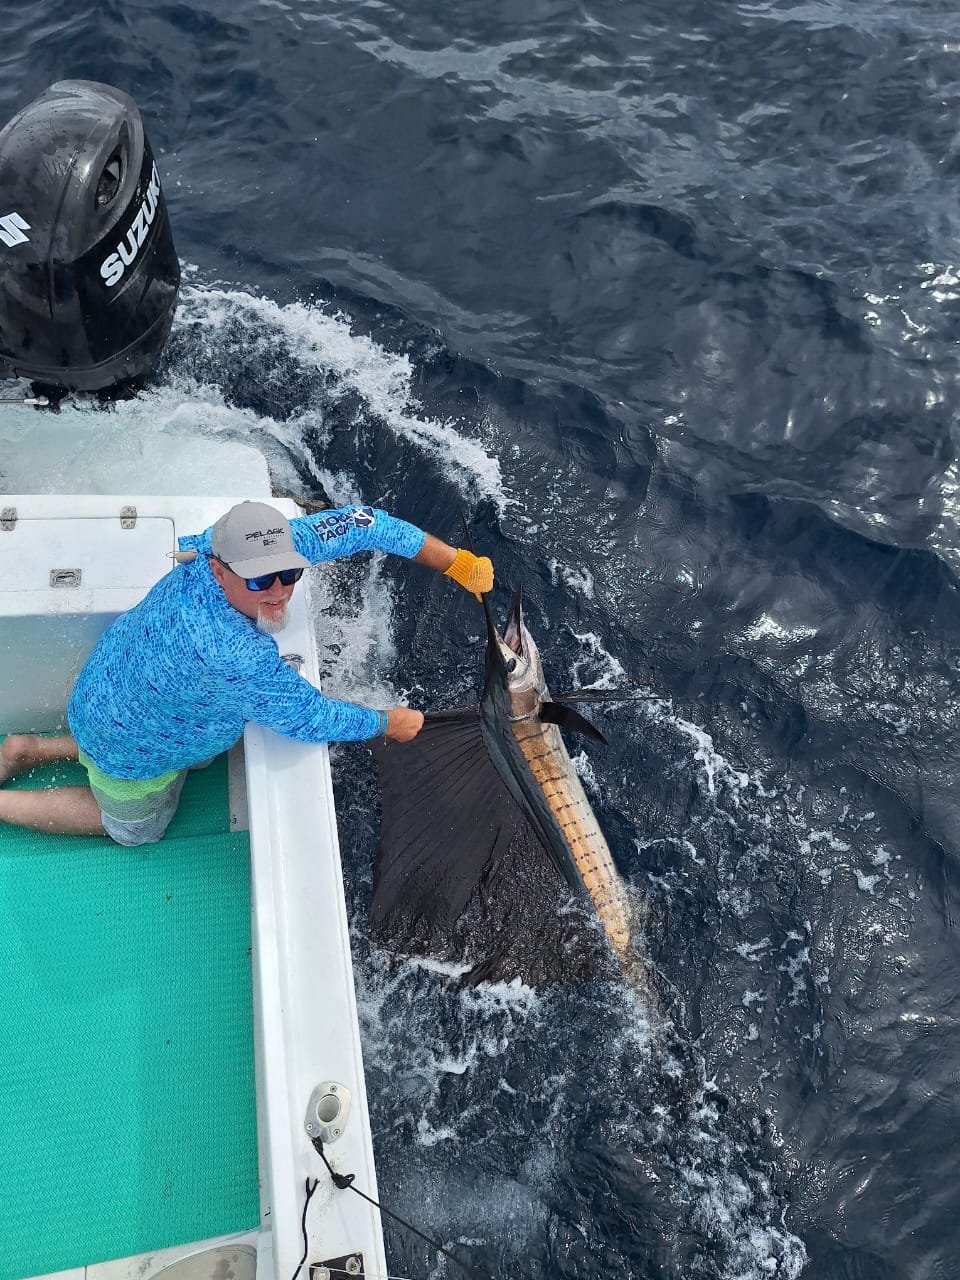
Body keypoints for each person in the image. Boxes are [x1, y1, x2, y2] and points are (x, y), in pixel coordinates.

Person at [0, 499, 493, 846]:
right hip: (130, 750)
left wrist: (456, 564)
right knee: (132, 832)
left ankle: (31, 747)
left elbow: (365, 523)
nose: (279, 590)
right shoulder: (234, 653)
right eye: (260, 579)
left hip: (106, 690)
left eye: (290, 572)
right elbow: (309, 719)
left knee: (147, 745)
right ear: (221, 570)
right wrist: (389, 723)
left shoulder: (218, 546)